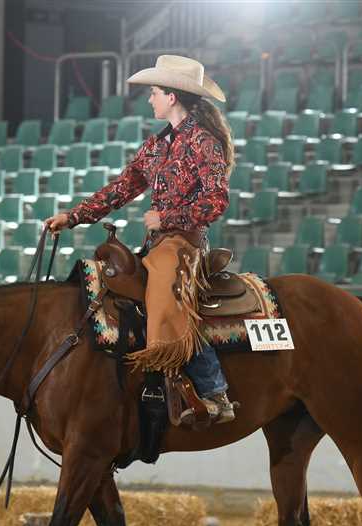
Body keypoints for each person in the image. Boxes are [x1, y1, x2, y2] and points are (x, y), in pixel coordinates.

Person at [45, 55, 238, 424]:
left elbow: (216, 200)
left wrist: (168, 218)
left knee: (167, 297)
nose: (150, 99)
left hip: (185, 242)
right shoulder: (157, 146)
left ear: (172, 97)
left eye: (154, 93)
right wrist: (73, 217)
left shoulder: (204, 142)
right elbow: (122, 188)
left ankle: (214, 390)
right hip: (159, 243)